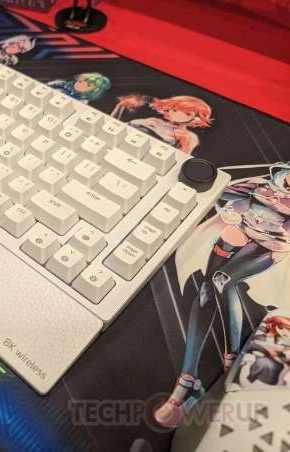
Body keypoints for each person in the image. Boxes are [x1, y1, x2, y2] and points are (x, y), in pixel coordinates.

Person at [154, 163, 290, 427]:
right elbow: (223, 190)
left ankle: (231, 360)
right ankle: (187, 379)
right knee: (206, 291)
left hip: (269, 246)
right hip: (237, 231)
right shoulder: (268, 181)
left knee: (222, 280)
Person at [111, 95, 213, 154]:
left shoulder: (189, 137)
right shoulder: (154, 121)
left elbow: (182, 159)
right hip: (121, 145)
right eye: (175, 109)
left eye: (188, 114)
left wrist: (184, 143)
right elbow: (114, 125)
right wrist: (120, 106)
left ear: (197, 119)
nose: (179, 114)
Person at [46, 72, 111, 103]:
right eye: (80, 81)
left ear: (94, 90)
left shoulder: (82, 101)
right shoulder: (60, 84)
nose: (81, 84)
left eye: (88, 85)